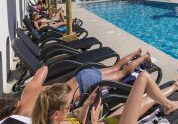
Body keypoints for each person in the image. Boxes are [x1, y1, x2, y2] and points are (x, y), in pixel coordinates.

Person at [0, 49, 152, 122]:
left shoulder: (28, 116)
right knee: (116, 68)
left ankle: (144, 57)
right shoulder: (27, 91)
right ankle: (137, 53)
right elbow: (44, 69)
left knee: (121, 74)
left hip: (85, 85)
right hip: (81, 75)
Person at [32, 71, 178, 124]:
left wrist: (85, 107)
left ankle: (175, 87)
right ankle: (169, 105)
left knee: (143, 99)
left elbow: (79, 122)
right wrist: (96, 120)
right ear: (56, 113)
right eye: (69, 106)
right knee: (143, 77)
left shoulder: (55, 120)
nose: (71, 107)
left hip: (106, 122)